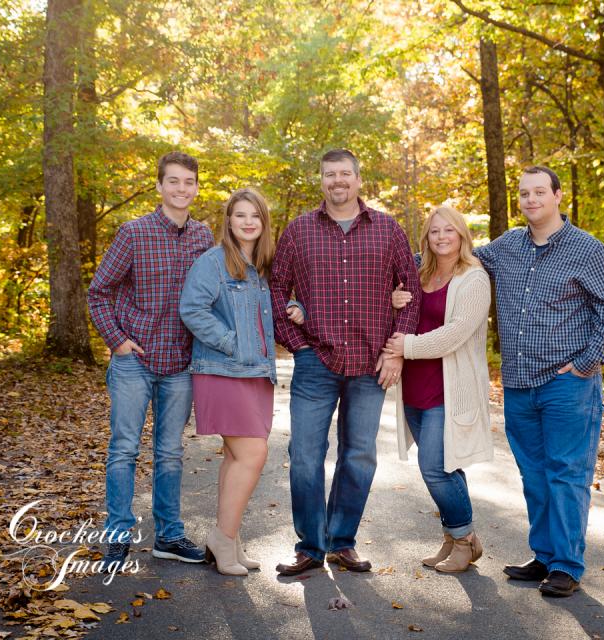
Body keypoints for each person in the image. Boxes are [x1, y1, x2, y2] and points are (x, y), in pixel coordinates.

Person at [474, 165, 604, 596]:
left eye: (540, 192)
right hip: (519, 384)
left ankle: (566, 565)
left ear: (558, 196)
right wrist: (396, 272)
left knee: (566, 474)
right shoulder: (507, 246)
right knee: (534, 475)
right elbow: (456, 260)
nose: (531, 200)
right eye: (524, 194)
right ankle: (543, 556)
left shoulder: (587, 250)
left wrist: (586, 364)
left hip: (568, 385)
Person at [270, 148, 421, 576]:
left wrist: (396, 349)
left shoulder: (388, 230)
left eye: (345, 174)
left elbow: (411, 289)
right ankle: (310, 546)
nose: (338, 181)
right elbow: (277, 290)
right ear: (321, 180)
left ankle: (342, 541)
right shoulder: (299, 231)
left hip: (370, 364)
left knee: (359, 457)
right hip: (315, 360)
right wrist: (296, 343)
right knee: (304, 455)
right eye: (329, 174)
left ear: (358, 179)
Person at [88, 151, 214, 569]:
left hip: (180, 362)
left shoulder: (203, 237)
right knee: (124, 449)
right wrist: (118, 340)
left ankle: (169, 536)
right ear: (159, 186)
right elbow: (99, 291)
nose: (181, 189)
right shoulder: (133, 233)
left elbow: (215, 295)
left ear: (196, 187)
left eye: (189, 182)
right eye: (173, 181)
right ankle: (118, 535)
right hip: (134, 361)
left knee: (171, 453)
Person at [385, 206, 492, 573]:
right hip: (416, 386)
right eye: (434, 232)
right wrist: (393, 300)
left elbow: (456, 333)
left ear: (462, 235)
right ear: (426, 238)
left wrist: (406, 347)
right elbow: (399, 316)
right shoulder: (420, 273)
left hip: (450, 388)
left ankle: (464, 539)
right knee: (447, 465)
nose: (442, 237)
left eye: (449, 230)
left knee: (434, 467)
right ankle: (454, 538)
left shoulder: (474, 278)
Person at [180, 187, 276, 576]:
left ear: (263, 222)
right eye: (240, 215)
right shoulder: (213, 262)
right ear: (229, 221)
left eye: (254, 215)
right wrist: (231, 342)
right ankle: (222, 537)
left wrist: (296, 308)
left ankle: (229, 540)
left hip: (257, 373)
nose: (248, 222)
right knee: (253, 453)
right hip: (223, 370)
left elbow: (281, 303)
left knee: (237, 456)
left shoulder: (264, 266)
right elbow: (192, 308)